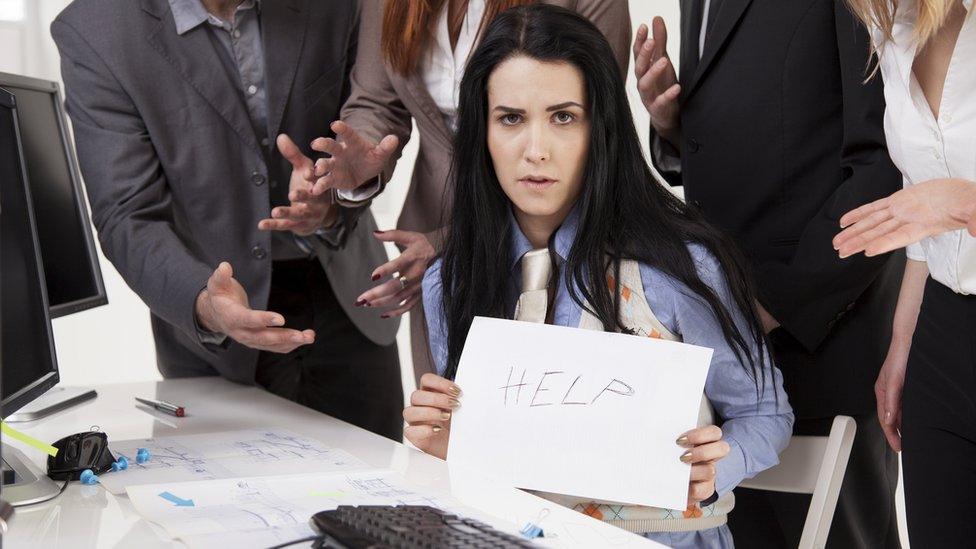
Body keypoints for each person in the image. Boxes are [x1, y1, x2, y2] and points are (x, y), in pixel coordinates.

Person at [403, 5, 794, 547]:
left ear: (600, 128)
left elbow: (763, 413)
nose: (535, 151)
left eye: (563, 117)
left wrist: (718, 466)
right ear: (481, 132)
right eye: (511, 118)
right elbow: (476, 460)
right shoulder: (449, 280)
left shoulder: (678, 267)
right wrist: (442, 444)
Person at [51, 0, 403, 440]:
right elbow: (127, 215)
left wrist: (336, 194)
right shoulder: (95, 31)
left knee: (382, 499)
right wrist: (205, 304)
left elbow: (373, 107)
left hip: (349, 301)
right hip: (216, 321)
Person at [634, 2, 906, 546]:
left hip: (819, 335)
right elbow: (751, 133)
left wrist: (771, 304)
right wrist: (672, 125)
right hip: (723, 351)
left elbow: (886, 162)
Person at [304, 0, 631, 384]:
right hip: (434, 246)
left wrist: (448, 244)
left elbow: (590, 121)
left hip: (551, 247)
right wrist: (360, 159)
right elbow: (376, 101)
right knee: (446, 426)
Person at [832, 1, 976, 545]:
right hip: (941, 338)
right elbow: (925, 228)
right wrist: (901, 348)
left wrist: (967, 204)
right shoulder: (894, 27)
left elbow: (945, 203)